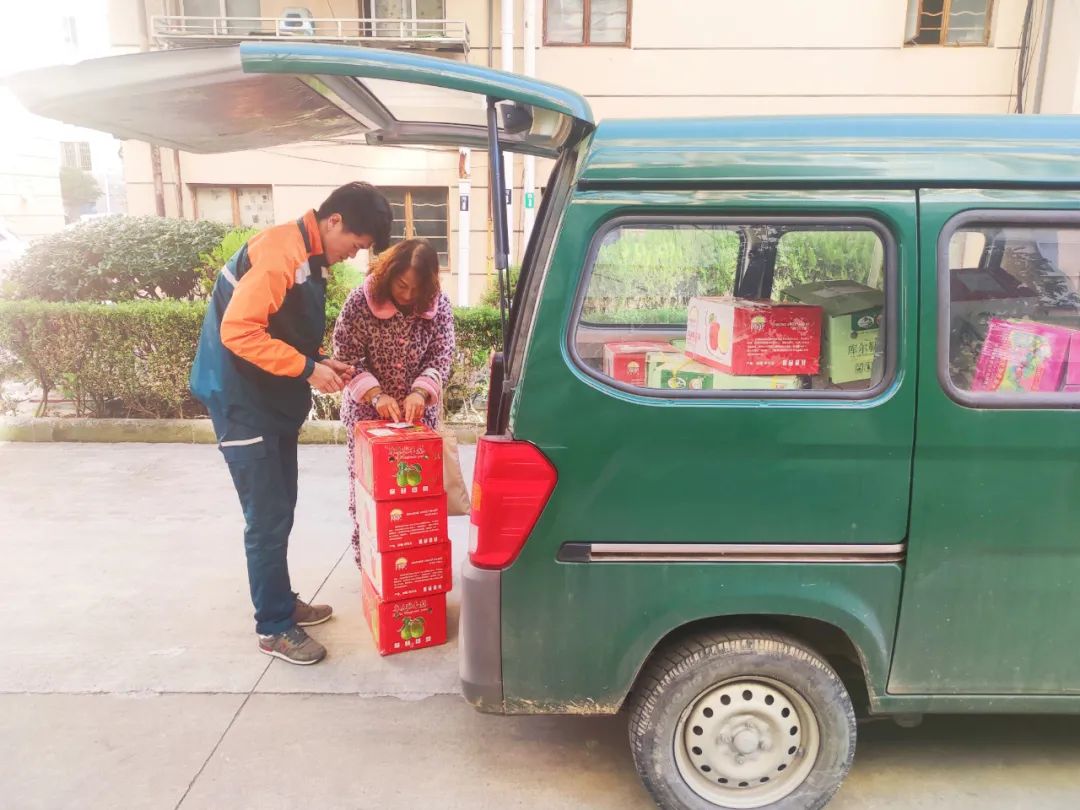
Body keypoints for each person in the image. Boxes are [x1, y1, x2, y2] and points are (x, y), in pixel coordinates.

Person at [190, 182, 392, 665]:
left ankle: (281, 601)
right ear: (334, 221)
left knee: (281, 508)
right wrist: (307, 369)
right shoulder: (282, 251)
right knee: (266, 517)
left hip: (270, 401)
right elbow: (239, 331)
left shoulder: (308, 257)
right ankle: (274, 626)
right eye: (356, 245)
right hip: (243, 401)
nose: (352, 255)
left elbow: (280, 328)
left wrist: (320, 360)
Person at [333, 238, 455, 567]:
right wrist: (375, 394)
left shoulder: (438, 306)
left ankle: (413, 565)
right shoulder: (361, 301)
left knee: (417, 497)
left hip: (417, 418)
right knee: (370, 491)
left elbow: (441, 356)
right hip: (368, 417)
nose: (408, 295)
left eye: (416, 288)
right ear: (389, 273)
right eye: (402, 285)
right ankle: (372, 566)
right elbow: (345, 358)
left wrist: (420, 392)